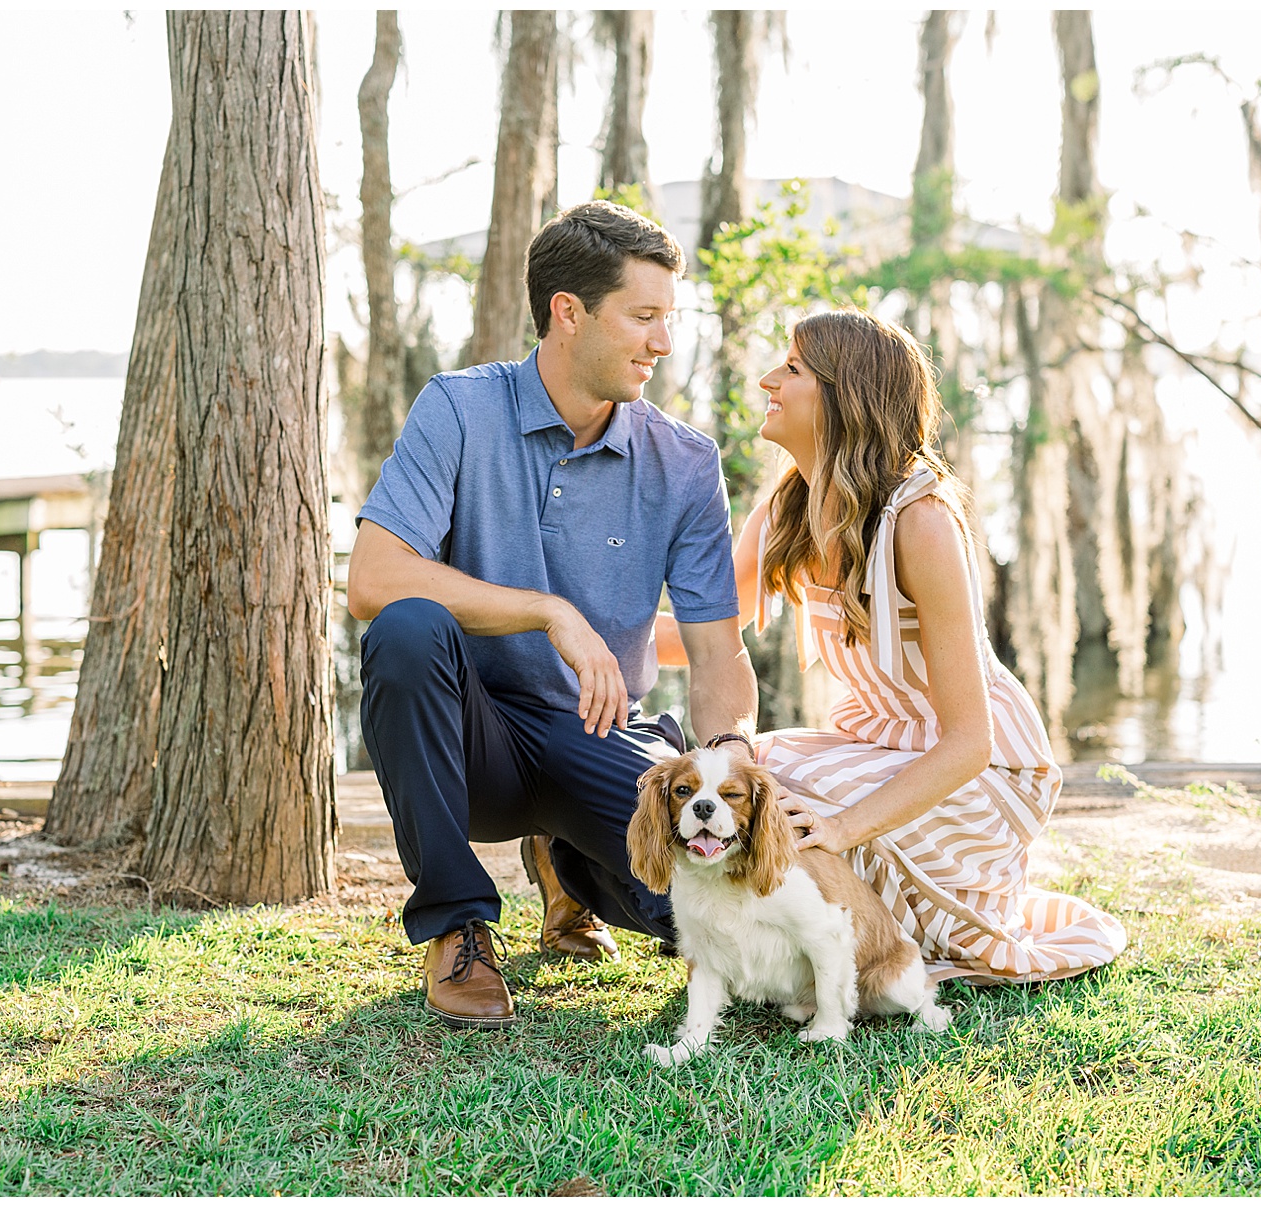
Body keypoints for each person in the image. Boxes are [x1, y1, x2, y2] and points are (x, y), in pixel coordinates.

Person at [346, 200, 758, 1030]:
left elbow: (718, 655)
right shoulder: (458, 410)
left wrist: (733, 772)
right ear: (568, 313)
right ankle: (458, 923)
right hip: (474, 749)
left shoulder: (684, 462)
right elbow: (372, 578)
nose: (662, 343)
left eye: (667, 319)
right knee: (405, 628)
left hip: (602, 731)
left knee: (713, 927)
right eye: (643, 317)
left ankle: (569, 864)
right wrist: (547, 612)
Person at [715, 308, 1126, 985]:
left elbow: (970, 741)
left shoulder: (921, 521)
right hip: (881, 743)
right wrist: (572, 637)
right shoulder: (787, 506)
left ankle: (852, 939)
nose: (767, 380)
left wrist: (841, 827)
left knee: (789, 795)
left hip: (978, 772)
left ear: (844, 395)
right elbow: (701, 638)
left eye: (790, 369)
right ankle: (781, 939)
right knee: (742, 769)